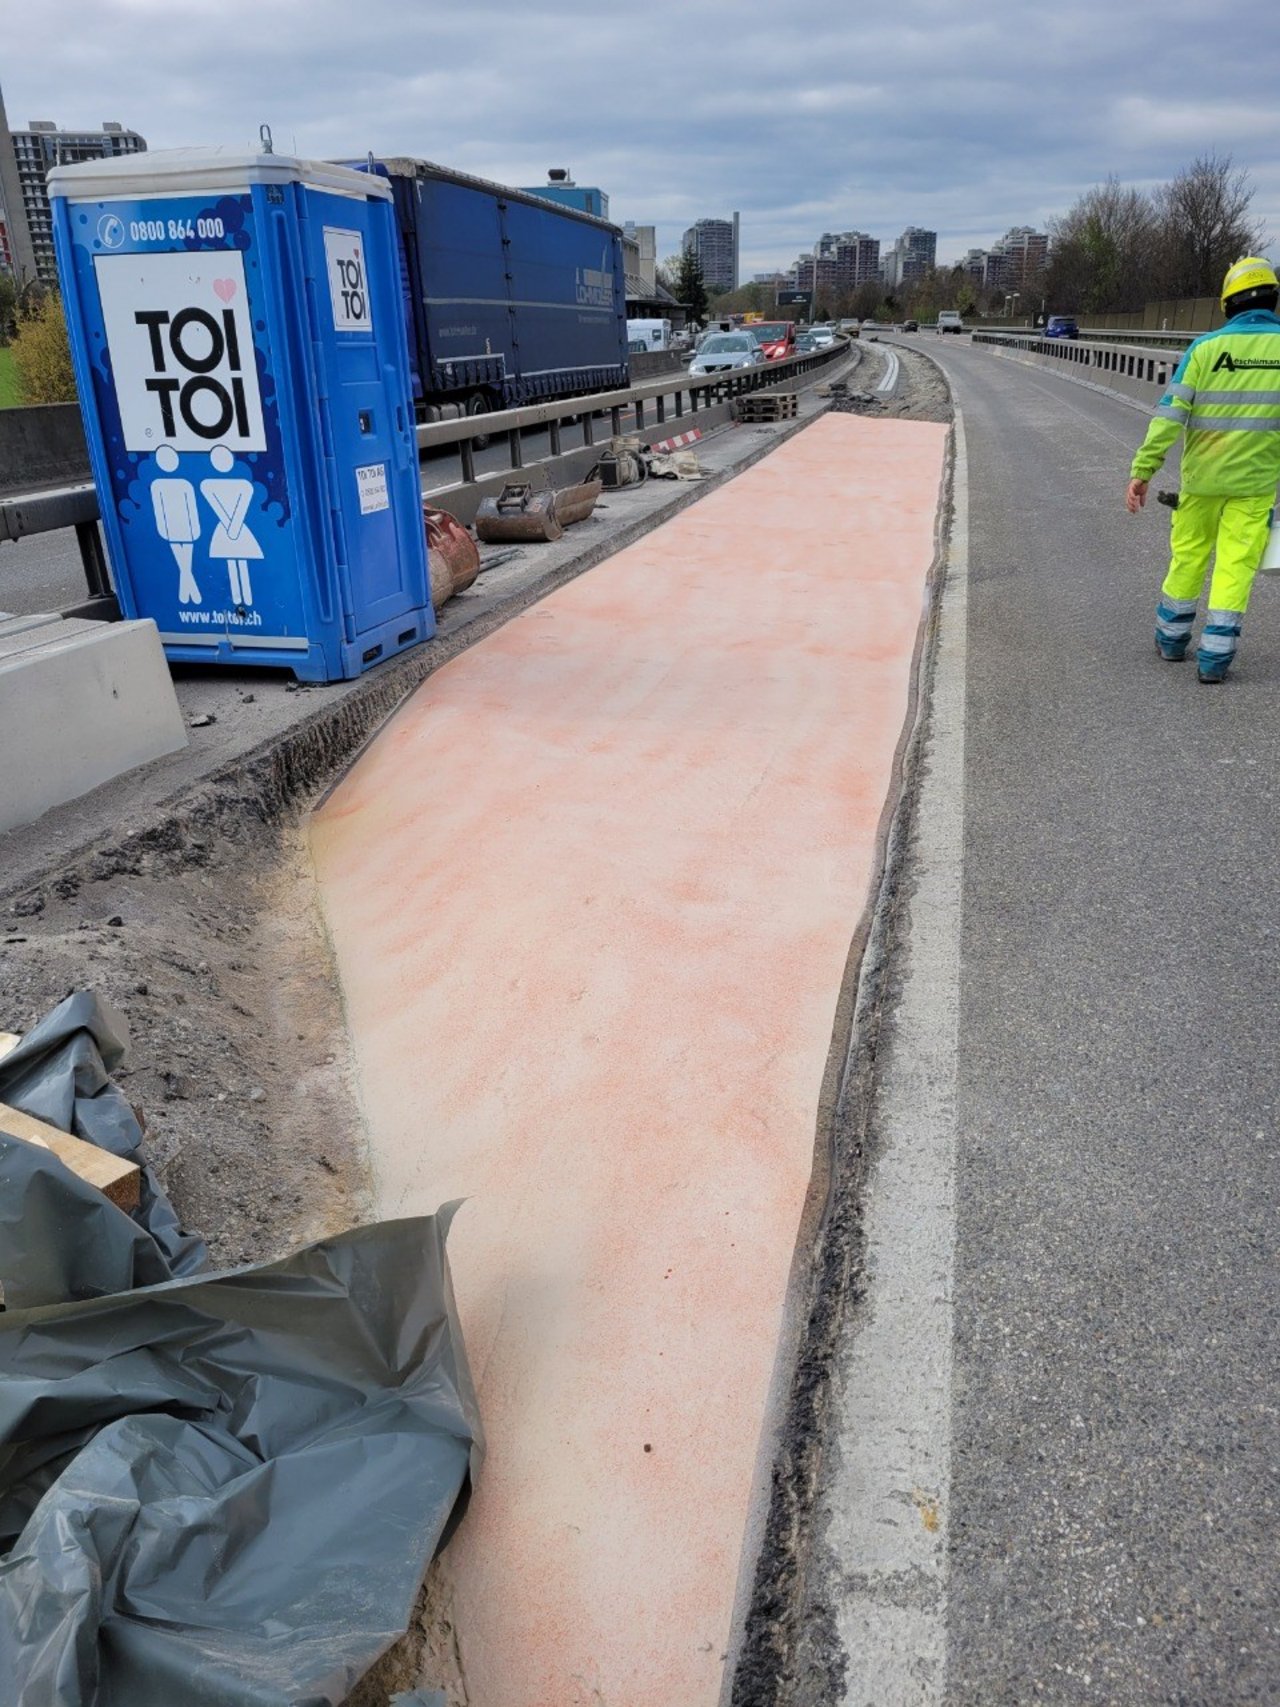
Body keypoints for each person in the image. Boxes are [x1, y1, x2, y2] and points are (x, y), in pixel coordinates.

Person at [1126, 256, 1280, 682]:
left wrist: (1143, 470)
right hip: (1255, 487)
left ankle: (1172, 640)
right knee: (1235, 567)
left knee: (1189, 557)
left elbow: (1169, 417)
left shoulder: (1205, 349)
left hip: (1201, 482)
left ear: (1228, 303)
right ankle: (1215, 659)